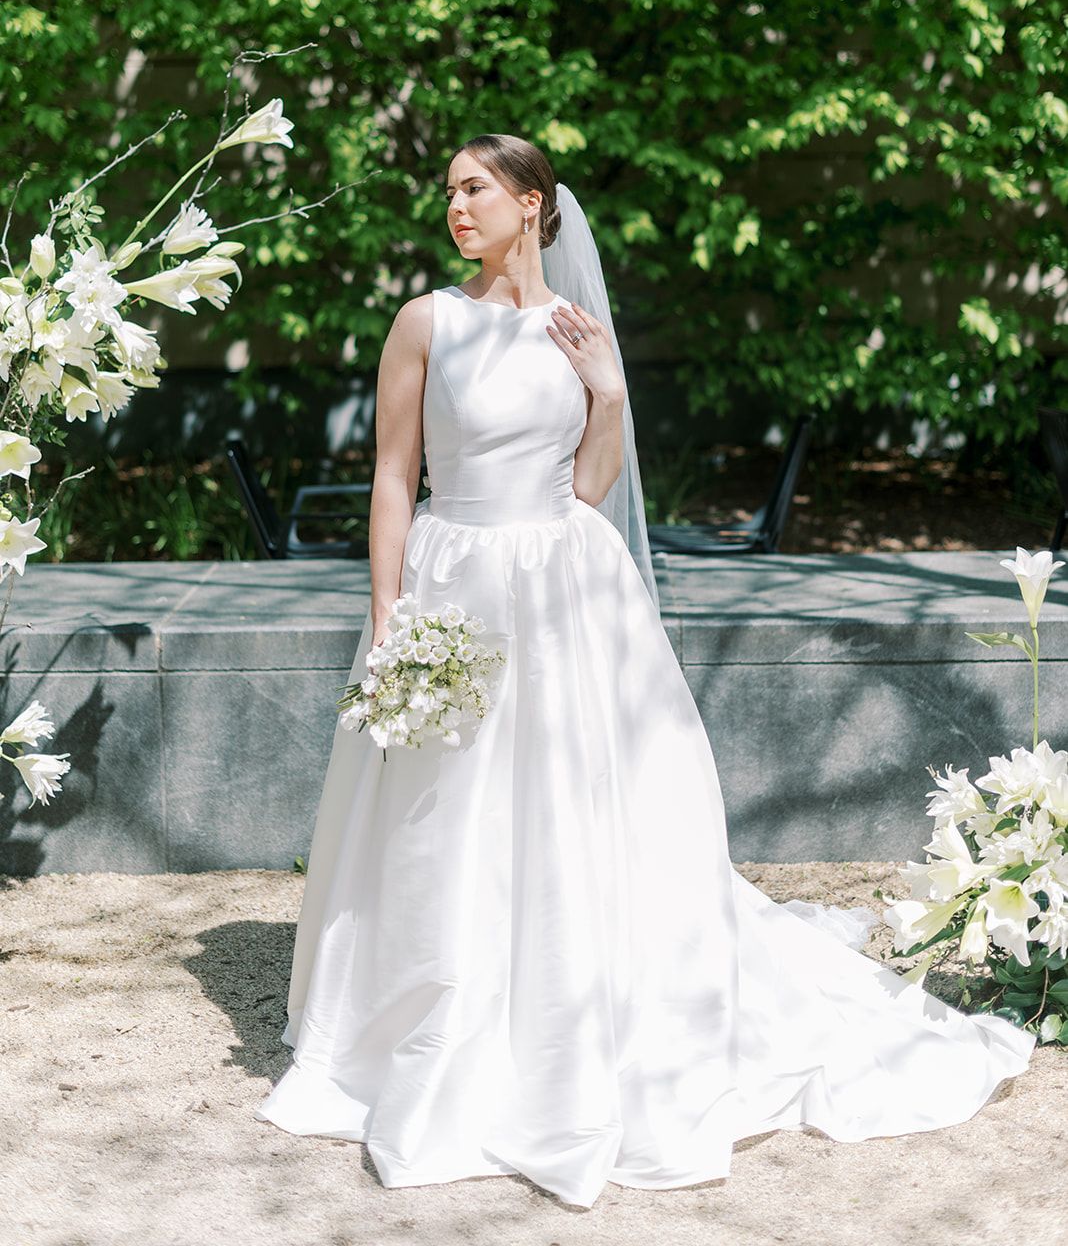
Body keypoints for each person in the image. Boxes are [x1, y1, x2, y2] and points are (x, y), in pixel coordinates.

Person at [254, 134, 1035, 1210]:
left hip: (568, 590)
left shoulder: (578, 330)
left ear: (533, 204)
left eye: (474, 189)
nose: (455, 207)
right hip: (456, 579)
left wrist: (609, 393)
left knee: (579, 805)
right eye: (447, 193)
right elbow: (393, 477)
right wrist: (390, 615)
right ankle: (434, 1010)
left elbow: (591, 490)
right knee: (443, 811)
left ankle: (578, 999)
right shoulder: (427, 321)